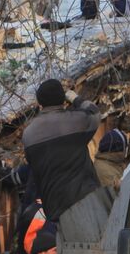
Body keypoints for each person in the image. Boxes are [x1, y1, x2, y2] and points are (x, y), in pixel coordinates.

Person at [21, 79, 101, 224]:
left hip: (55, 210)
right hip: (86, 202)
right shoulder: (77, 121)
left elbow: (33, 166)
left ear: (40, 103)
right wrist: (75, 98)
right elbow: (95, 113)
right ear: (62, 100)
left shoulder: (29, 134)